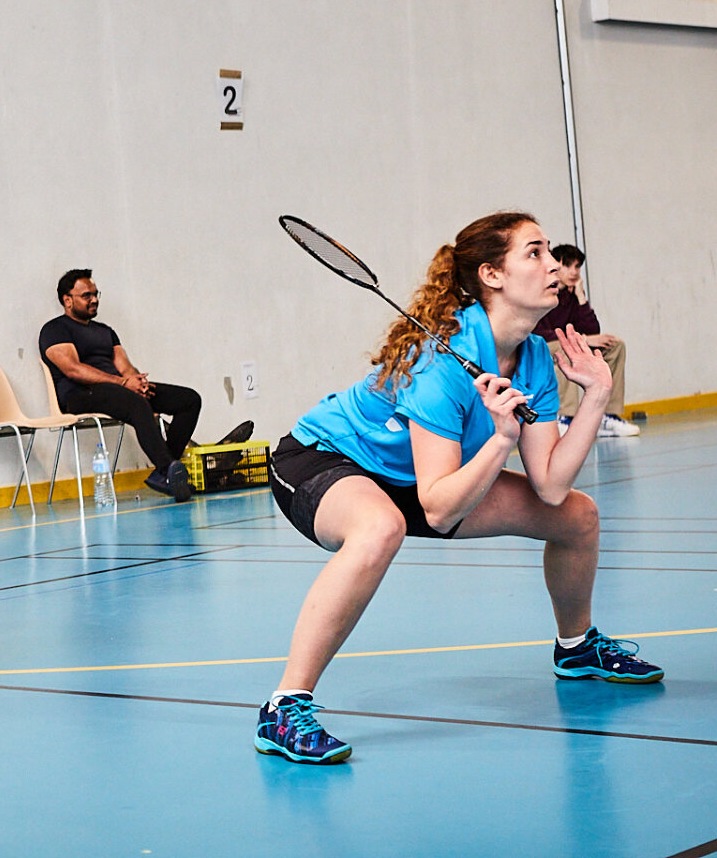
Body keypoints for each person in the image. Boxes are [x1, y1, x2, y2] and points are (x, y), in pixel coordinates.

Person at [256, 213, 662, 765]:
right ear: (492, 275)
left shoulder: (533, 358)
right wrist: (501, 440)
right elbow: (441, 512)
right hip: (326, 459)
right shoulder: (439, 360)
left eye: (550, 252)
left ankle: (576, 647)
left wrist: (595, 396)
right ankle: (284, 707)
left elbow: (550, 486)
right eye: (535, 253)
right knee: (379, 527)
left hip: (420, 477)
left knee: (577, 516)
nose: (553, 266)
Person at [39, 270, 205, 501]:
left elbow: (124, 366)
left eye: (96, 294)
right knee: (135, 402)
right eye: (86, 296)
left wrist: (138, 382)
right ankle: (167, 469)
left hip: (116, 390)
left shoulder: (105, 331)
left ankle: (164, 472)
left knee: (188, 400)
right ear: (67, 300)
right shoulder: (55, 329)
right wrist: (123, 382)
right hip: (79, 394)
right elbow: (73, 369)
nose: (94, 300)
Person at [537, 244, 639, 437]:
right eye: (568, 266)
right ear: (555, 265)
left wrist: (581, 297)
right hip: (542, 346)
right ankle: (564, 417)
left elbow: (593, 330)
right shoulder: (542, 292)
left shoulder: (571, 296)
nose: (574, 272)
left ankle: (606, 417)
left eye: (577, 267)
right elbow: (539, 332)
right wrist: (583, 340)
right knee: (565, 349)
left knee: (615, 346)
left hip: (568, 342)